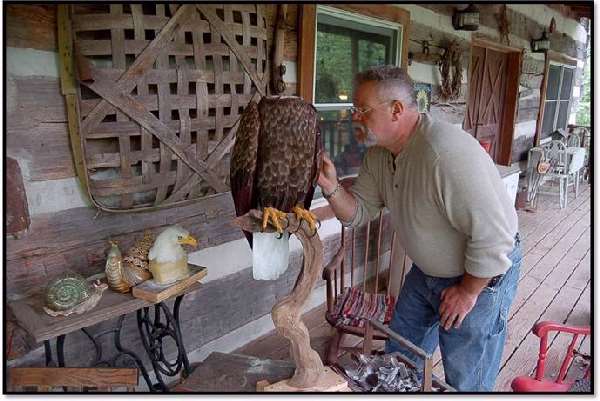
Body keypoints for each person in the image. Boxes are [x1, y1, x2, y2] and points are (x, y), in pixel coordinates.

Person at [317, 65, 520, 392]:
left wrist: (468, 292)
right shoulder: (379, 155)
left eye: (362, 110)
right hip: (425, 274)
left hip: (479, 276)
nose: (355, 117)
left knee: (466, 377)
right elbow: (358, 214)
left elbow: (496, 238)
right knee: (398, 359)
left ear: (396, 110)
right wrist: (331, 187)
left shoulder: (443, 153)